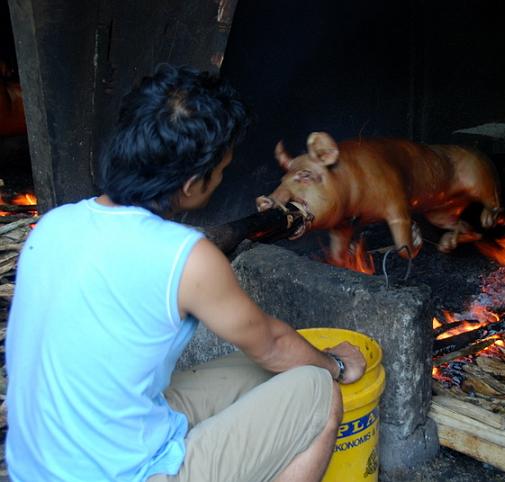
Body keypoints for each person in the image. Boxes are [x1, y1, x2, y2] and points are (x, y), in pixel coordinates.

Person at [5, 64, 366, 482]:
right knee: (317, 391)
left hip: (38, 468)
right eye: (222, 170)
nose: (223, 177)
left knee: (271, 374)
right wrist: (336, 366)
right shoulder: (187, 258)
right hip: (124, 474)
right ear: (193, 183)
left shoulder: (53, 224)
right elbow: (271, 344)